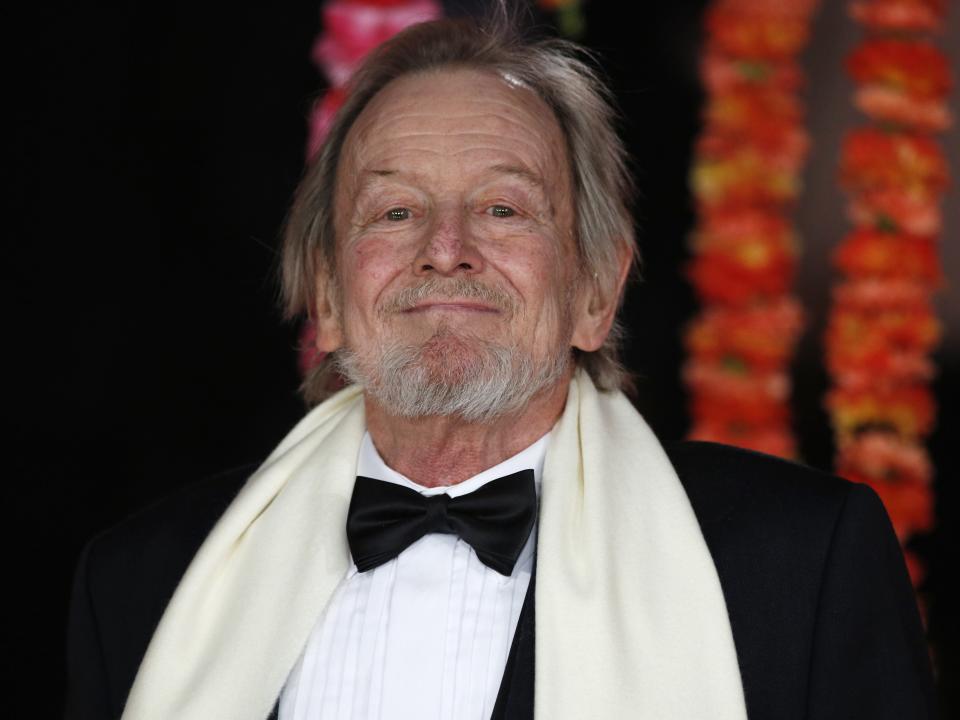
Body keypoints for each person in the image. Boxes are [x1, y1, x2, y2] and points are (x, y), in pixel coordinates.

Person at [65, 14, 936, 720]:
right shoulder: (145, 583)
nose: (447, 249)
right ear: (327, 296)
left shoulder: (801, 565)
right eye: (396, 209)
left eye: (504, 207)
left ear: (596, 290)